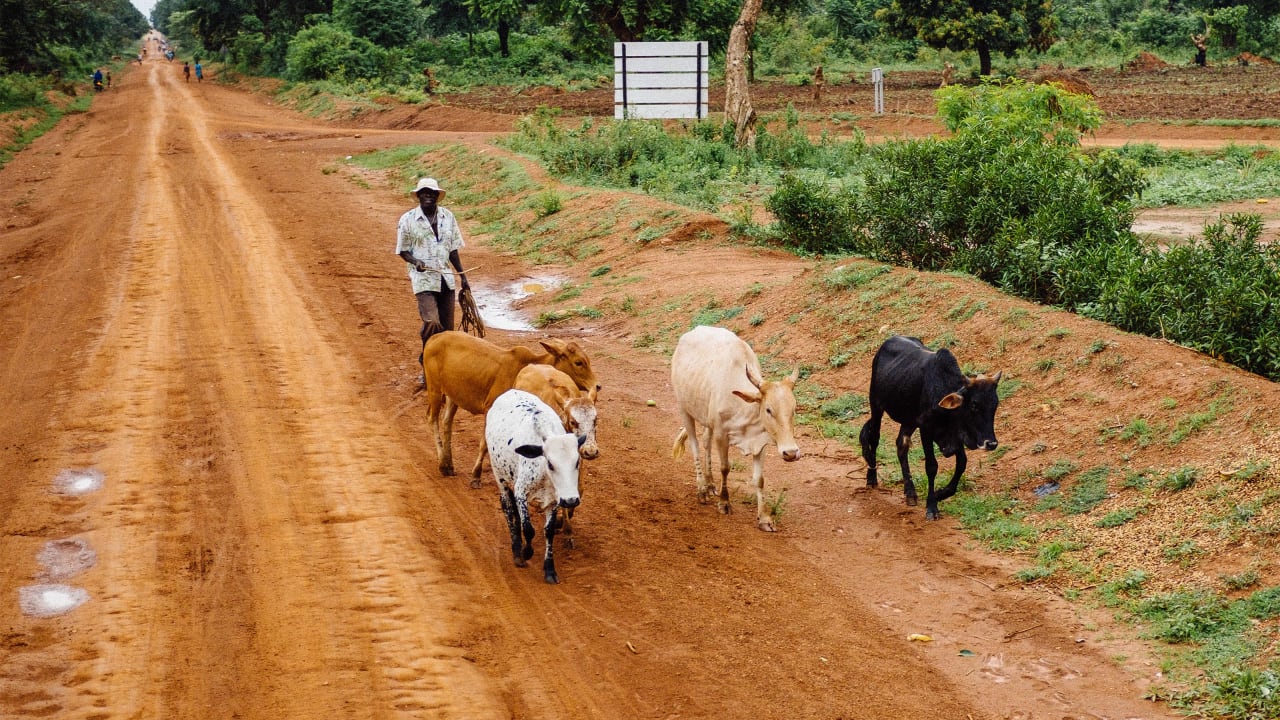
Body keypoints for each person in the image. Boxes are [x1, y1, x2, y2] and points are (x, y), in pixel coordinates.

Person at [396, 177, 469, 362]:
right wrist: (415, 261)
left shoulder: (448, 216)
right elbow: (402, 251)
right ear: (419, 196)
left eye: (432, 192)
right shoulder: (407, 220)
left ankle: (441, 368)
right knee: (431, 322)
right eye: (424, 192)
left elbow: (453, 249)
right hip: (424, 279)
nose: (428, 195)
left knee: (447, 329)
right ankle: (426, 360)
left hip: (446, 278)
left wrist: (463, 275)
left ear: (437, 195)